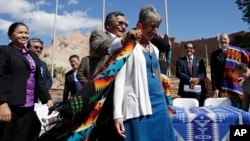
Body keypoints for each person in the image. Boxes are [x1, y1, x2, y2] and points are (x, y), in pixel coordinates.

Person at [113, 5, 175, 141]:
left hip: (159, 103)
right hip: (137, 105)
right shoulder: (128, 47)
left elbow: (158, 77)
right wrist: (117, 114)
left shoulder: (155, 49)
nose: (155, 30)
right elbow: (120, 81)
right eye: (152, 26)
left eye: (157, 26)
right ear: (140, 25)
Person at [0, 22, 53, 141]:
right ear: (10, 35)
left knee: (22, 137)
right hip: (10, 105)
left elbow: (38, 80)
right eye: (20, 32)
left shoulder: (32, 56)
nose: (24, 35)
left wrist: (47, 99)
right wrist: (2, 103)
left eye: (26, 32)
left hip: (28, 106)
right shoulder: (4, 51)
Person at [210, 33, 250, 107]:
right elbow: (213, 73)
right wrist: (215, 88)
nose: (223, 40)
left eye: (225, 39)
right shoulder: (214, 54)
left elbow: (249, 59)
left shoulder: (238, 51)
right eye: (221, 39)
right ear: (219, 41)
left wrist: (245, 77)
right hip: (222, 88)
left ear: (229, 40)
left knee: (237, 110)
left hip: (236, 87)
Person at [27, 38, 53, 141]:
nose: (38, 50)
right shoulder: (23, 60)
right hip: (26, 100)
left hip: (40, 102)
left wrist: (43, 92)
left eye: (41, 48)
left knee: (36, 126)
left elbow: (48, 79)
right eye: (36, 47)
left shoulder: (43, 64)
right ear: (28, 47)